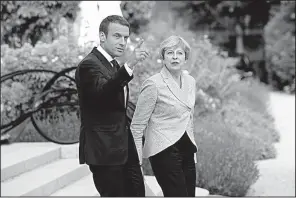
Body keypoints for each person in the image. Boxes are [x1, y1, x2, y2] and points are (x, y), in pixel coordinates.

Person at [75, 15, 149, 197]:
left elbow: (117, 105)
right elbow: (104, 92)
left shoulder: (113, 64)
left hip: (124, 146)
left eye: (125, 38)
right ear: (102, 36)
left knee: (138, 192)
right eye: (117, 36)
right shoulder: (88, 65)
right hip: (104, 150)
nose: (123, 42)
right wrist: (130, 64)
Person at [130, 35, 198, 197]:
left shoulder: (190, 81)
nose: (175, 57)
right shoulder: (153, 84)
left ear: (185, 57)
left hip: (187, 148)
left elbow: (189, 117)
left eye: (179, 53)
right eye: (170, 52)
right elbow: (137, 127)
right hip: (163, 150)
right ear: (163, 57)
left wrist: (193, 152)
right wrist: (136, 161)